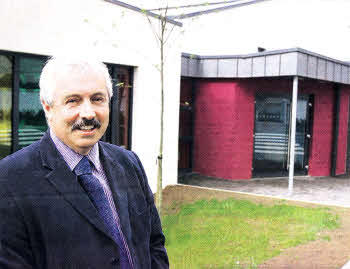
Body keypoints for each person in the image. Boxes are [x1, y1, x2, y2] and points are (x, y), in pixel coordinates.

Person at [0, 56, 169, 268]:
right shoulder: (9, 180)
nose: (88, 113)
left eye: (97, 99)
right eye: (73, 101)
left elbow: (154, 244)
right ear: (48, 108)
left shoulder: (129, 163)